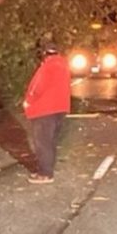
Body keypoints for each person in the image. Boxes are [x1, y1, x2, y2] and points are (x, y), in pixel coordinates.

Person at [22, 42, 72, 184]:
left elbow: (37, 87)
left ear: (44, 54)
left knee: (43, 142)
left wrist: (28, 101)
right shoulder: (63, 65)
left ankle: (45, 173)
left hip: (44, 110)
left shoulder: (47, 66)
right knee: (50, 141)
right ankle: (48, 169)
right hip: (60, 109)